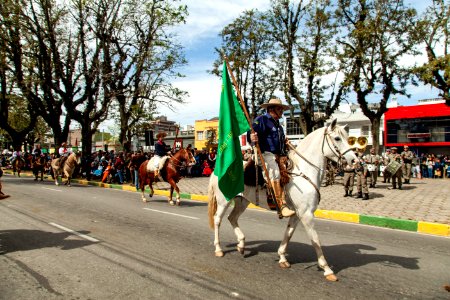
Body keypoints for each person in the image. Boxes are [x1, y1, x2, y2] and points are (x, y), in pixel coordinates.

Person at [249, 98, 295, 218]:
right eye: (280, 109)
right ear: (271, 109)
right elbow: (251, 133)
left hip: (279, 155)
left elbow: (279, 141)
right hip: (265, 153)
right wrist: (252, 138)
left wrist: (284, 142)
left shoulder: (278, 125)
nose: (282, 111)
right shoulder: (262, 120)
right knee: (275, 173)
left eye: (282, 109)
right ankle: (281, 205)